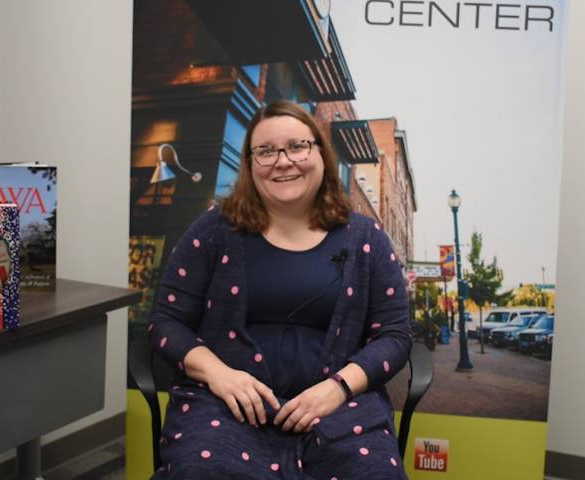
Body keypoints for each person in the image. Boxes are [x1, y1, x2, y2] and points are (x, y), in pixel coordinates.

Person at [149, 100, 412, 479]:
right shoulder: (214, 230)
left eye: (297, 146)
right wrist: (219, 374)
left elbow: (395, 335)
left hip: (340, 410)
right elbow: (166, 321)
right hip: (226, 407)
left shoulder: (366, 239)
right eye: (266, 151)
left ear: (320, 154)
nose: (282, 161)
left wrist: (338, 387)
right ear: (251, 163)